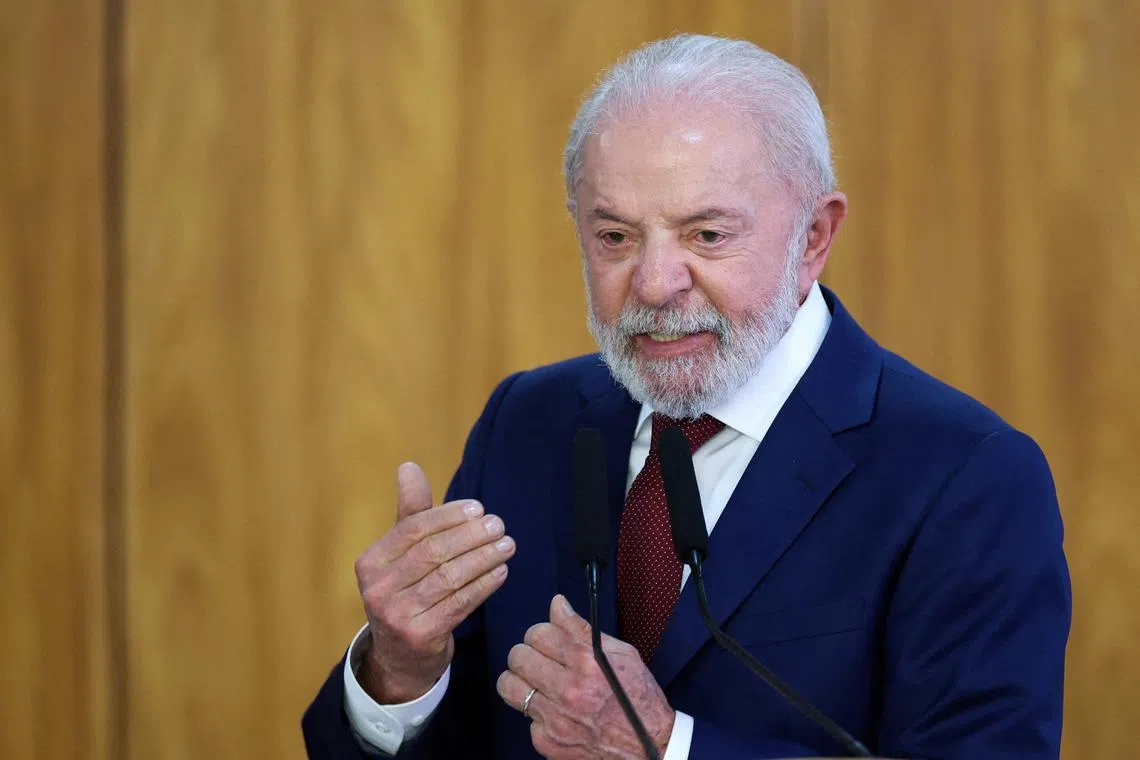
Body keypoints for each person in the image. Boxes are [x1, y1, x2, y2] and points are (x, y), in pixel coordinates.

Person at [302, 33, 1071, 759]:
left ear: (813, 239)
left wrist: (669, 748)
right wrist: (401, 674)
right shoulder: (527, 423)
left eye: (706, 236)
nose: (655, 283)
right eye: (615, 238)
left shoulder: (965, 476)